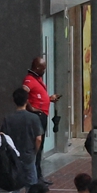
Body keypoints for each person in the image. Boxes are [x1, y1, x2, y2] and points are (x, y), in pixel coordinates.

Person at [22, 56, 61, 184]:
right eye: (43, 68)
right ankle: (36, 176)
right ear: (37, 67)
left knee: (40, 147)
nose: (44, 71)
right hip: (37, 116)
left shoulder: (37, 79)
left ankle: (38, 175)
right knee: (37, 147)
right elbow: (23, 93)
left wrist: (49, 99)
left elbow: (37, 96)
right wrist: (31, 108)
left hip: (41, 115)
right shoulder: (29, 80)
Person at [2, 88, 43, 193]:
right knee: (31, 184)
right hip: (28, 154)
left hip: (13, 157)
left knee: (15, 185)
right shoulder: (33, 118)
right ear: (27, 100)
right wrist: (35, 151)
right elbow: (38, 138)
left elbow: (3, 137)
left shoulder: (8, 119)